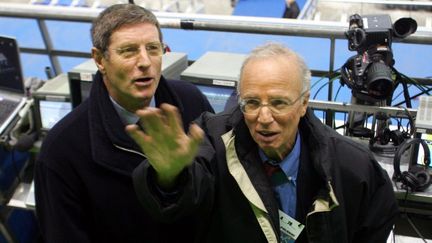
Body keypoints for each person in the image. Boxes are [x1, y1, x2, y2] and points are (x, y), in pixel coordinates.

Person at [129, 43, 399, 242]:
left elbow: (375, 223)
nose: (264, 118)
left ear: (304, 102)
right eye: (252, 103)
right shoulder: (212, 139)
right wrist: (169, 178)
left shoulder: (352, 167)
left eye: (279, 103)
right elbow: (181, 203)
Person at [34, 4, 213, 243]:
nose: (145, 62)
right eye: (129, 51)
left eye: (153, 48)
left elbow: (218, 196)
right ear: (99, 59)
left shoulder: (192, 102)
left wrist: (178, 178)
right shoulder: (62, 150)